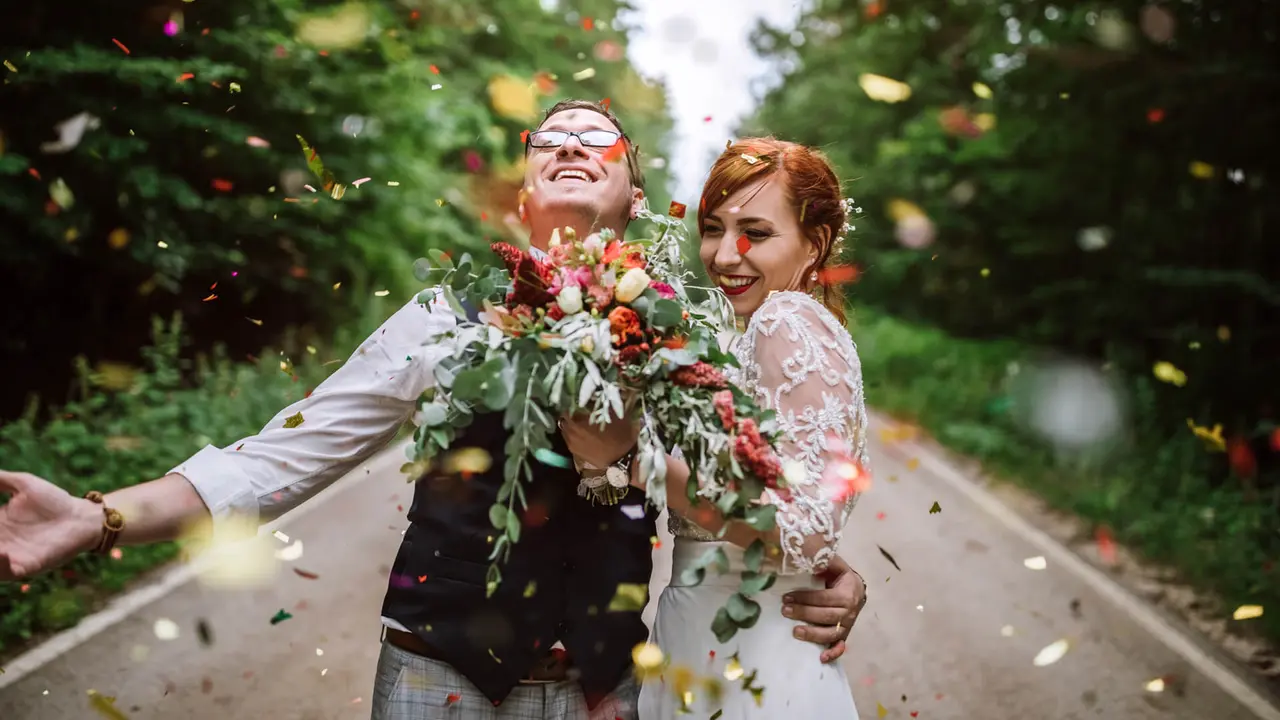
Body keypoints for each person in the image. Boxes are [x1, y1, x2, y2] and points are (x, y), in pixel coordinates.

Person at [0, 102, 868, 720]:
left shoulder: (694, 325)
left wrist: (827, 573)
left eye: (595, 137)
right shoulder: (442, 316)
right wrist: (98, 517)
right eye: (548, 138)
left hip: (601, 692)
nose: (567, 141)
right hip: (435, 680)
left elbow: (769, 478)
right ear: (524, 193)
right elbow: (278, 458)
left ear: (635, 196)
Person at [632, 138, 868, 718]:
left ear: (814, 244)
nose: (725, 254)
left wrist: (639, 461)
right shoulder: (771, 330)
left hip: (748, 655)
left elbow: (807, 531)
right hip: (717, 636)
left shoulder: (783, 319)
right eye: (713, 228)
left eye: (756, 234)